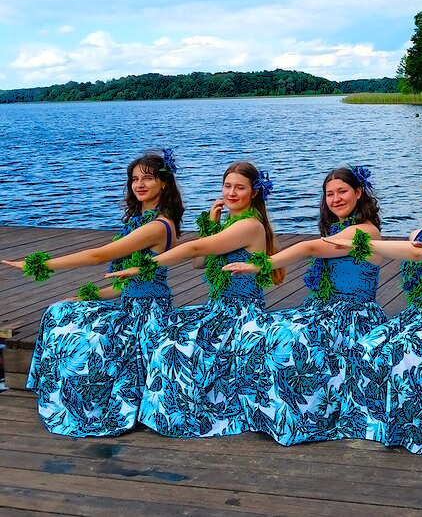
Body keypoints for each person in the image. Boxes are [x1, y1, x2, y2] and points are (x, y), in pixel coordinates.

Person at [2, 149, 184, 436]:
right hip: (129, 306)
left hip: (146, 316)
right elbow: (124, 285)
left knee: (76, 333)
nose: (139, 184)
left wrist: (38, 264)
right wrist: (87, 296)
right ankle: (59, 391)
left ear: (163, 183)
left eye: (147, 178)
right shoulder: (139, 223)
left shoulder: (157, 227)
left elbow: (98, 256)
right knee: (60, 310)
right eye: (134, 179)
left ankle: (85, 400)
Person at [106, 161, 284, 437]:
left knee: (173, 345)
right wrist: (211, 225)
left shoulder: (249, 226)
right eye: (227, 186)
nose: (231, 193)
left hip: (241, 313)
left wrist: (145, 267)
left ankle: (184, 412)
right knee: (166, 334)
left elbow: (194, 249)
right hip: (218, 308)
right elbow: (199, 263)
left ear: (254, 192)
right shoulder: (230, 224)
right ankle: (160, 408)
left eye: (240, 188)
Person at [222, 166, 384, 445]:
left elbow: (309, 248)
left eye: (343, 192)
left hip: (352, 316)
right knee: (254, 329)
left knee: (288, 336)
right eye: (329, 194)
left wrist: (260, 264)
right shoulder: (337, 229)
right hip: (321, 309)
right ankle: (266, 412)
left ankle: (305, 415)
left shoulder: (365, 231)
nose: (336, 199)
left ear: (358, 193)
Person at [325, 171, 422, 451]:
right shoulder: (417, 234)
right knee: (367, 347)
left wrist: (360, 243)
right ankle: (378, 425)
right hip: (418, 314)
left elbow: (417, 253)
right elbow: (413, 246)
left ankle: (417, 428)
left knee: (411, 351)